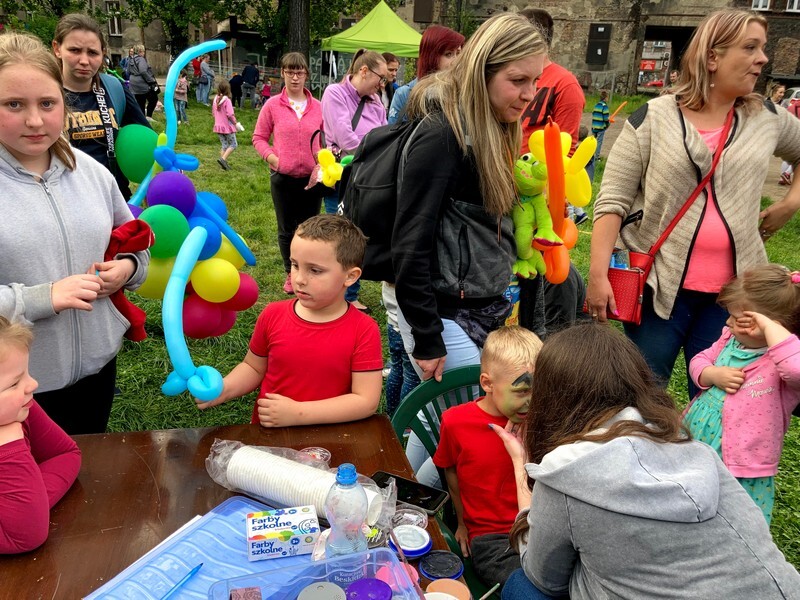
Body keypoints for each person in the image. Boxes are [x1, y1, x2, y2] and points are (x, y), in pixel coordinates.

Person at [495, 324, 800, 600]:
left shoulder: (565, 475)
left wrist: (521, 465)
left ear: (551, 396)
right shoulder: (697, 450)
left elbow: (544, 578)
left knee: (521, 587)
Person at [586, 9, 800, 398]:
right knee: (643, 395)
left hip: (737, 295)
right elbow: (612, 200)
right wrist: (599, 275)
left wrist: (792, 201)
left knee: (721, 397)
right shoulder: (651, 117)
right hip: (656, 287)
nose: (763, 59)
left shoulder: (767, 117)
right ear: (712, 57)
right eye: (750, 48)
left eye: (763, 48)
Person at [394, 14, 546, 485]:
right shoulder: (443, 135)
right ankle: (418, 513)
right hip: (438, 311)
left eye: (535, 81)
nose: (528, 94)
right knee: (472, 428)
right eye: (516, 80)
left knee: (435, 425)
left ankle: (399, 501)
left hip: (479, 306)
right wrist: (425, 334)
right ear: (481, 71)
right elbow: (410, 239)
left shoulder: (494, 129)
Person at [0, 32, 150, 434]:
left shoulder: (94, 174)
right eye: (14, 104)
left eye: (47, 104)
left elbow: (134, 241)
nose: (34, 120)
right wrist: (40, 298)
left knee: (85, 474)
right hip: (15, 386)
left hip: (98, 367)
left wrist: (128, 268)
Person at [195, 215, 383, 427]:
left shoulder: (364, 330)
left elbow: (365, 401)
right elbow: (254, 368)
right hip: (270, 435)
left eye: (315, 270)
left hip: (331, 440)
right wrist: (224, 389)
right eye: (295, 265)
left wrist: (298, 413)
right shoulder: (273, 314)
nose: (299, 279)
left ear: (350, 276)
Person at [684, 264, 800, 524]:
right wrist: (712, 374)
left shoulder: (781, 359)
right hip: (700, 444)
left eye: (738, 318)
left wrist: (770, 328)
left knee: (738, 517)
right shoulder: (729, 338)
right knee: (693, 498)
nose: (727, 322)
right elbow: (699, 360)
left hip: (745, 462)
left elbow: (796, 369)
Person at [433, 326, 542, 588]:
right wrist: (460, 523)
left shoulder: (542, 420)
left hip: (539, 528)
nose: (533, 400)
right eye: (522, 391)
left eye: (539, 390)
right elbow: (451, 474)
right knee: (529, 586)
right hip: (492, 539)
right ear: (487, 383)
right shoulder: (456, 422)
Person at [0, 316, 81, 554]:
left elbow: (66, 453)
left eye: (26, 373)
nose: (32, 384)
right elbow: (26, 537)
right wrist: (8, 446)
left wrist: (34, 502)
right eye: (14, 384)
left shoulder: (19, 411)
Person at [52, 13, 151, 200]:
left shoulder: (114, 88)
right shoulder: (42, 95)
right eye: (74, 50)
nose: (84, 60)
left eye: (92, 53)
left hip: (115, 199)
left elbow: (148, 143)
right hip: (65, 202)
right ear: (57, 49)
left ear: (102, 53)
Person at [321, 49, 389, 312]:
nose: (381, 85)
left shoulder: (376, 102)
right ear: (364, 71)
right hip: (342, 176)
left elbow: (385, 133)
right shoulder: (335, 93)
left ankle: (351, 293)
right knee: (338, 236)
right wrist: (375, 158)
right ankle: (336, 294)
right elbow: (345, 137)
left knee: (359, 234)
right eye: (380, 78)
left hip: (369, 178)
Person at [253, 52, 325, 295]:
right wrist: (273, 158)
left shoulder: (318, 107)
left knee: (309, 230)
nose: (295, 77)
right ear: (282, 73)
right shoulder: (272, 105)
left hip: (312, 179)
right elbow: (259, 137)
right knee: (286, 229)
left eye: (300, 72)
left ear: (306, 75)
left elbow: (327, 139)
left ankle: (307, 271)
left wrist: (323, 162)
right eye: (290, 72)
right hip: (282, 178)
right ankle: (289, 272)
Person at [518, 8, 587, 225]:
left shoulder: (565, 84)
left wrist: (552, 200)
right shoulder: (508, 76)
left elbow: (566, 150)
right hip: (506, 182)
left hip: (536, 192)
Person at [388, 25, 464, 125]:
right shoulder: (405, 94)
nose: (456, 61)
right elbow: (395, 137)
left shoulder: (463, 93)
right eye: (448, 54)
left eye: (458, 53)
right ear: (431, 56)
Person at [212, 80, 240, 171]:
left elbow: (213, 112)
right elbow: (230, 114)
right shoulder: (227, 100)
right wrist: (235, 123)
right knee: (234, 144)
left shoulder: (216, 99)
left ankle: (222, 163)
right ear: (228, 90)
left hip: (218, 126)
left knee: (224, 145)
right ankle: (223, 160)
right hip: (227, 127)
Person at [127, 44, 159, 118]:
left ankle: (142, 118)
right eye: (143, 51)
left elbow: (127, 72)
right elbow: (143, 71)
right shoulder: (141, 59)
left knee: (140, 102)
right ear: (140, 51)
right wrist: (151, 80)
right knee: (153, 98)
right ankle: (149, 116)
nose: (144, 53)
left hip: (134, 84)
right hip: (142, 84)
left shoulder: (131, 59)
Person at [588, 90, 610, 182]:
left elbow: (593, 114)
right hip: (601, 127)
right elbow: (605, 117)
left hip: (594, 126)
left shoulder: (596, 105)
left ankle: (590, 154)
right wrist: (608, 124)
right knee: (599, 142)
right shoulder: (605, 107)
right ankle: (596, 157)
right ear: (606, 98)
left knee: (593, 141)